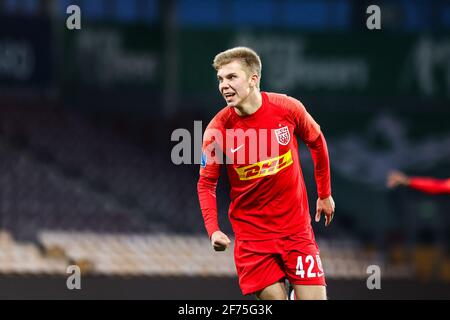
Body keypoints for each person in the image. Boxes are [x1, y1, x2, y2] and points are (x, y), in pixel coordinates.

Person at [197, 47, 335, 300]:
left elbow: (317, 142)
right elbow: (206, 183)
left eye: (231, 77)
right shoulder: (217, 130)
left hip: (296, 232)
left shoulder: (287, 108)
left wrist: (325, 194)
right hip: (253, 240)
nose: (224, 86)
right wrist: (213, 229)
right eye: (220, 79)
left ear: (253, 79)